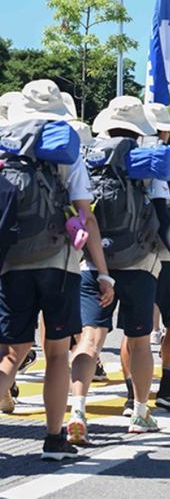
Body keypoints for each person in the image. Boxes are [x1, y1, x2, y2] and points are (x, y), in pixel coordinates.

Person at [0, 79, 114, 460]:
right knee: (56, 353)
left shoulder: (4, 145)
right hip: (58, 262)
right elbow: (87, 217)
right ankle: (53, 439)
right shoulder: (66, 149)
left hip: (10, 260)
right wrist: (102, 271)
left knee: (12, 351)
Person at [67, 96, 161, 445]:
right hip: (139, 262)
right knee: (138, 342)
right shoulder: (147, 162)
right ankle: (139, 412)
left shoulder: (86, 158)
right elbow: (164, 211)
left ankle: (77, 410)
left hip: (92, 263)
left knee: (90, 339)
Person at [119, 102, 170, 413]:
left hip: (128, 251)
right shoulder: (167, 159)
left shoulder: (109, 157)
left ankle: (132, 395)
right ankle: (165, 391)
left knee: (135, 329)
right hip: (167, 252)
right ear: (162, 130)